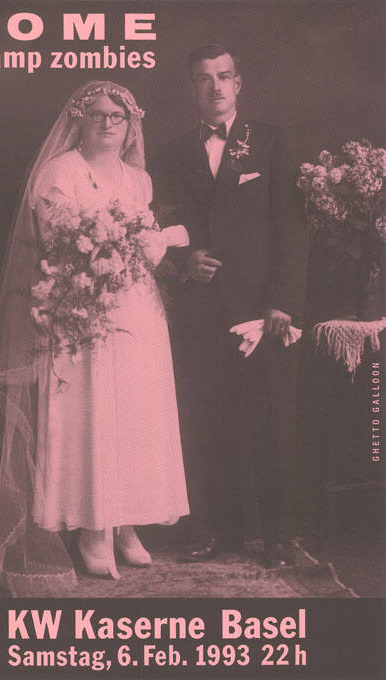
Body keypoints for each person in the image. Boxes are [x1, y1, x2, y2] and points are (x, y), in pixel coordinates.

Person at [0, 81, 189, 596]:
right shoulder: (59, 172)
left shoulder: (140, 179)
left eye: (118, 116)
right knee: (92, 413)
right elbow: (60, 243)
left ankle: (126, 522)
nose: (108, 123)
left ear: (131, 126)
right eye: (97, 114)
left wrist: (152, 243)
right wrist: (143, 241)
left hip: (138, 310)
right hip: (82, 310)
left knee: (134, 412)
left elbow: (143, 249)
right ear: (79, 121)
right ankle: (92, 528)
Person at [152, 45, 308, 567]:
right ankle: (218, 530)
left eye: (223, 76)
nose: (214, 87)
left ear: (238, 83)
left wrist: (283, 301)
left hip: (263, 311)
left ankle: (280, 536)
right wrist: (184, 260)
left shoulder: (271, 142)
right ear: (192, 89)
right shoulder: (172, 153)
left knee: (271, 420)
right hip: (201, 308)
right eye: (203, 79)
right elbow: (160, 227)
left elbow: (291, 228)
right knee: (208, 421)